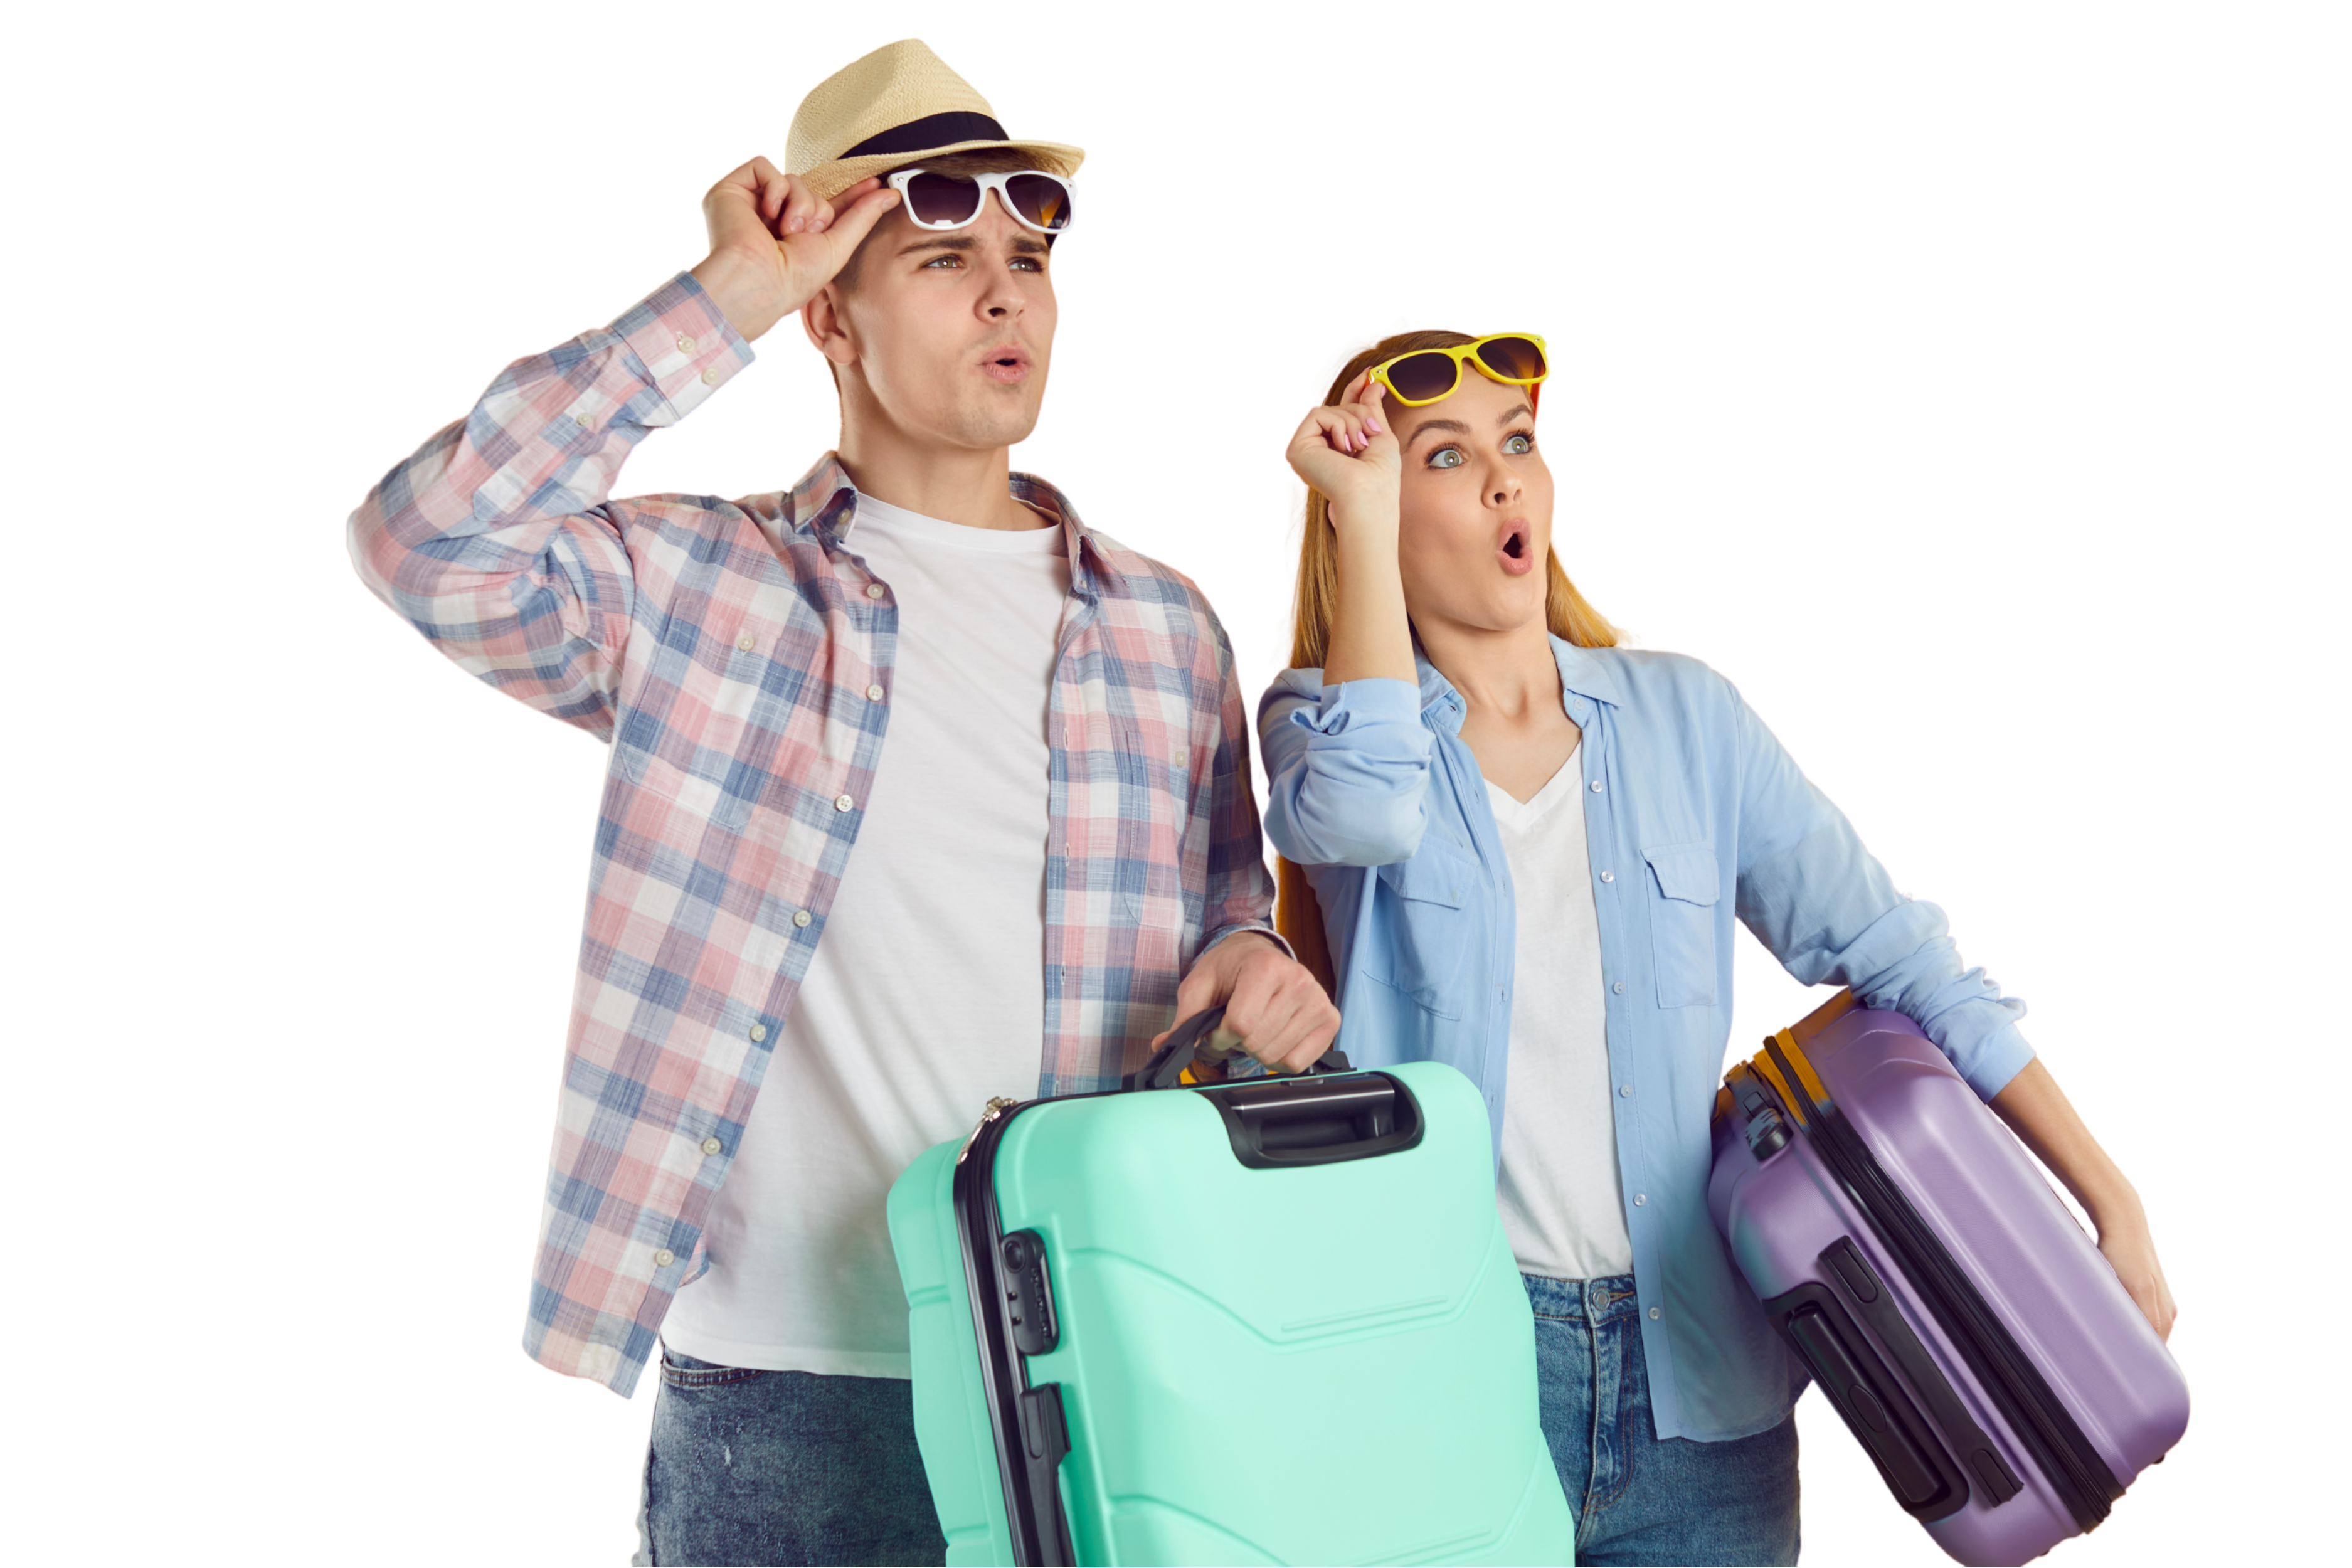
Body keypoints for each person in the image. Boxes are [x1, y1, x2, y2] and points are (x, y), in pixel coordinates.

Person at [342, 36, 1337, 1566]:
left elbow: (1221, 914)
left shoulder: (1166, 623)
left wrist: (1260, 962)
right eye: (943, 258)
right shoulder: (696, 581)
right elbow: (421, 543)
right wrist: (713, 304)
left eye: (1028, 258)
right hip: (784, 1396)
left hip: (1098, 1370)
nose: (1008, 295)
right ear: (828, 313)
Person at [1253, 322, 2180, 1566]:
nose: (1504, 479)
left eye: (1518, 443)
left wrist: (2110, 1201)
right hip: (1444, 1367)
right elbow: (1364, 811)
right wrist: (1353, 518)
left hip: (1703, 1374)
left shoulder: (1688, 714)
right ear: (1370, 504)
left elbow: (1902, 959)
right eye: (1445, 458)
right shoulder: (1325, 725)